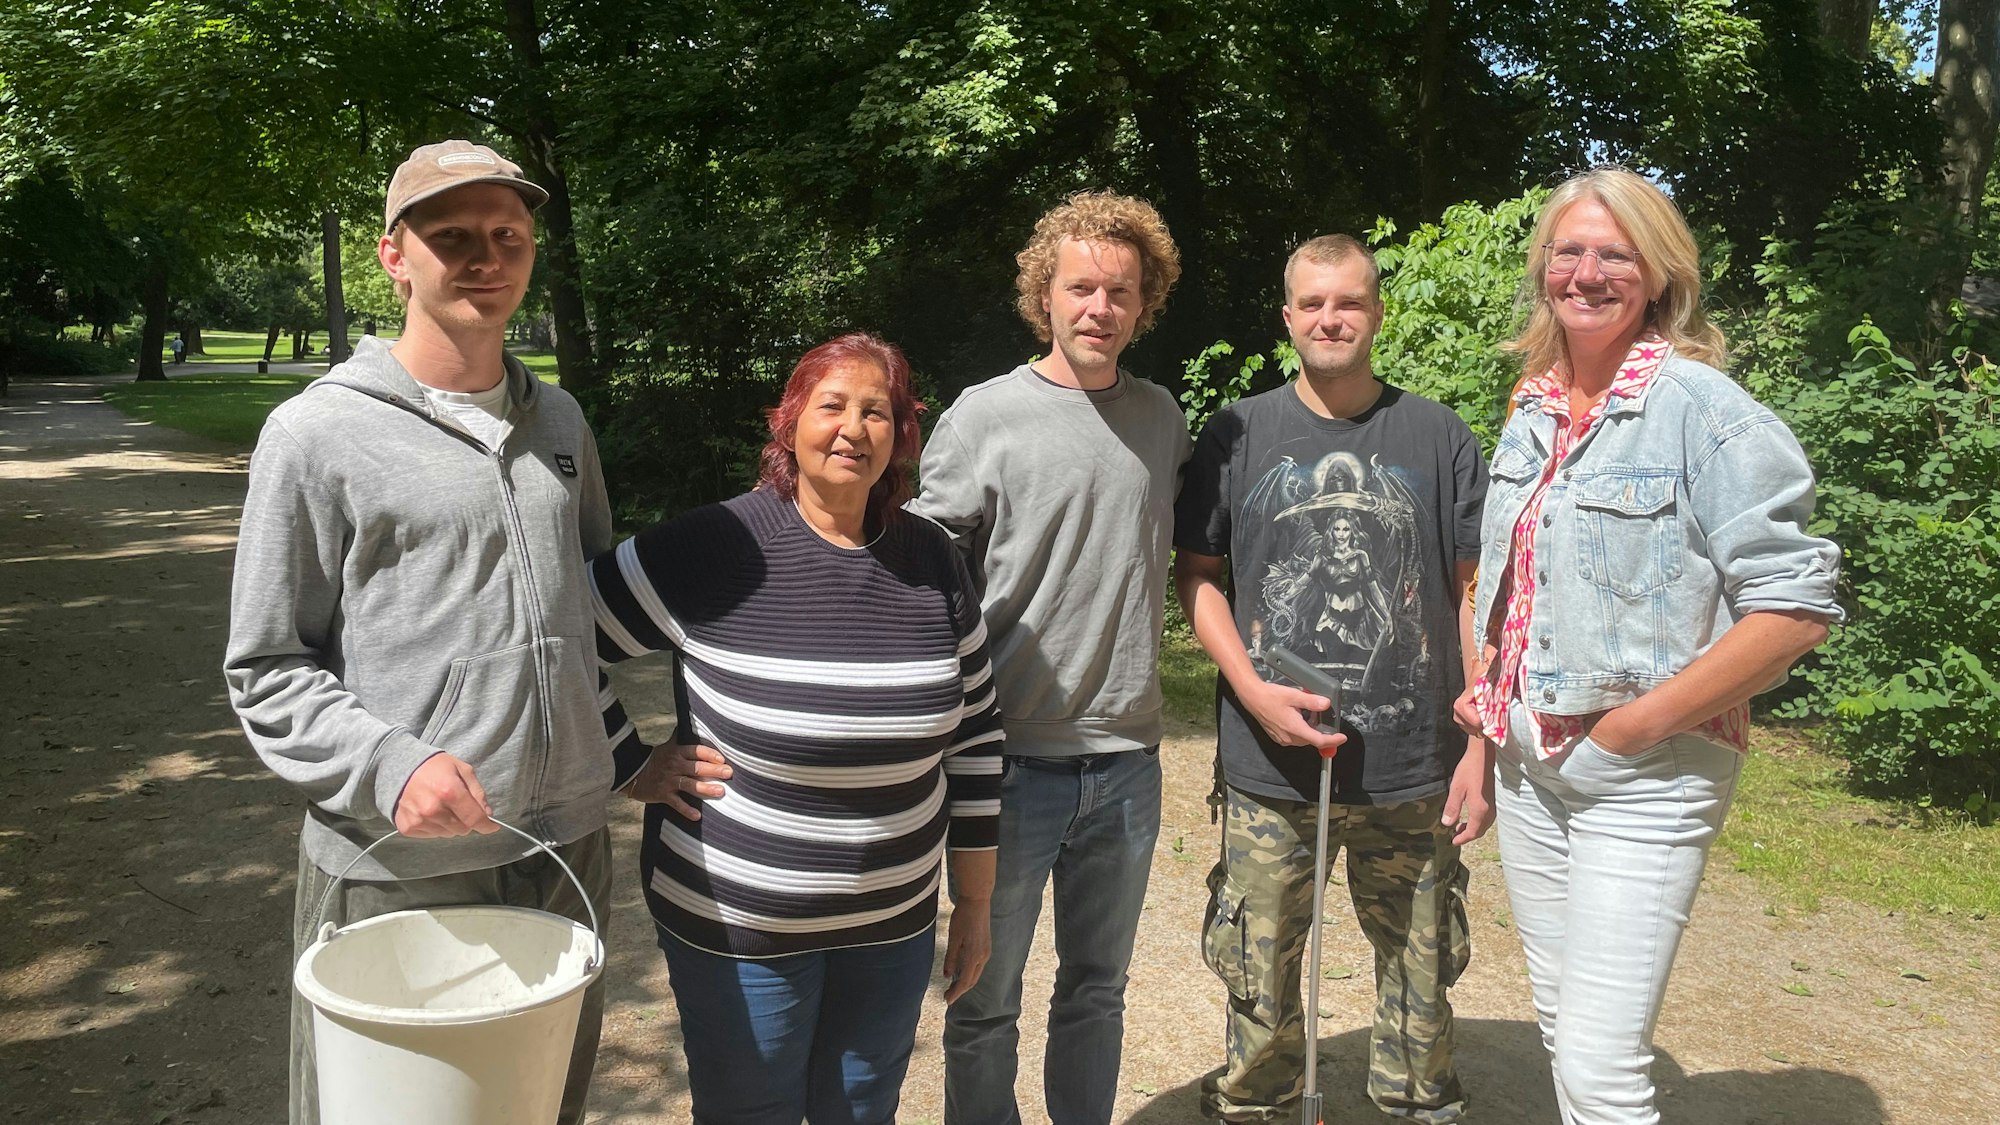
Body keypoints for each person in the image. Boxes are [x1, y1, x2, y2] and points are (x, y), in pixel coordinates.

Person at [224, 140, 638, 1125]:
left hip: (564, 848)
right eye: (451, 237)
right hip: (401, 860)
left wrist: (624, 760)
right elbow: (267, 665)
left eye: (508, 235)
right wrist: (390, 765)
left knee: (541, 1103)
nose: (485, 258)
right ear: (393, 257)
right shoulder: (316, 435)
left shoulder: (561, 423)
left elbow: (578, 620)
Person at [1456, 167, 1842, 1125]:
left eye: (1616, 255)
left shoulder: (1704, 411)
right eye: (1569, 251)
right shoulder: (1534, 405)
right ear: (1544, 265)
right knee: (1563, 1029)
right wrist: (1486, 721)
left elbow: (1794, 608)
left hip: (1645, 772)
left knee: (1599, 1067)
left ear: (1661, 274)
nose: (1586, 273)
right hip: (1528, 763)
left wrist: (1632, 729)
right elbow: (1504, 581)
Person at [587, 332, 1003, 1124]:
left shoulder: (933, 560)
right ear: (789, 422)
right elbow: (564, 634)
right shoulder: (717, 545)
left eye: (876, 412)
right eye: (832, 405)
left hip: (893, 926)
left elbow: (978, 732)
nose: (853, 428)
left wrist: (975, 901)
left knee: (863, 1110)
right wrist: (629, 761)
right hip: (740, 927)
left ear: (902, 435)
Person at [1175, 234, 1491, 1124]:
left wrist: (1480, 744)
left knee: (1422, 972)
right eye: (1312, 304)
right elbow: (1198, 576)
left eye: (1348, 301)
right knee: (1256, 974)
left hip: (1412, 767)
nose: (1330, 319)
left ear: (1377, 312)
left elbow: (1475, 591)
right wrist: (1250, 687)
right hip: (1271, 766)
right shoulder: (1238, 432)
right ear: (1287, 317)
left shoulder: (1437, 434)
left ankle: (1414, 1104)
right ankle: (1255, 1105)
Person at [910, 191, 1191, 1125]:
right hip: (1006, 760)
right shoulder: (983, 417)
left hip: (1127, 760)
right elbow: (921, 582)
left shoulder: (1162, 419)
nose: (1099, 307)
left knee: (1097, 990)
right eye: (1080, 288)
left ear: (1144, 304)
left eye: (1120, 291)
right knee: (983, 997)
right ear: (1045, 296)